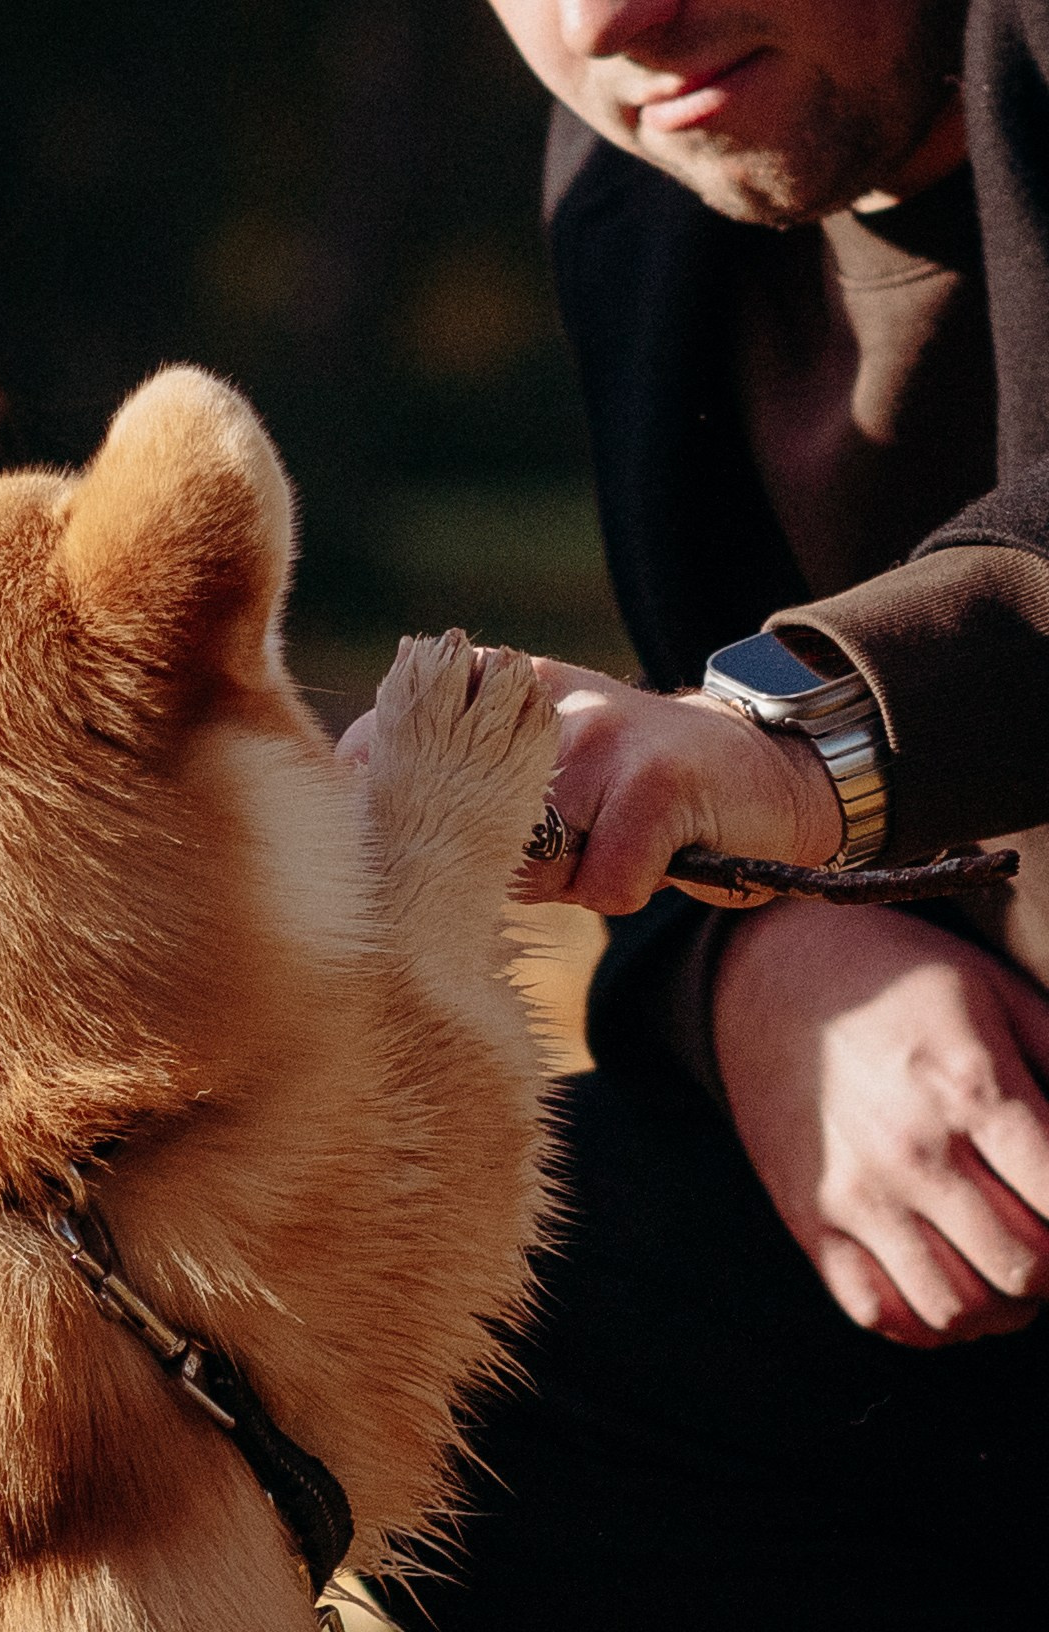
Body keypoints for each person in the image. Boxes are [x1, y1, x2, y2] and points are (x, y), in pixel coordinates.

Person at [343, 1, 1049, 1625]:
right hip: (977, 1272)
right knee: (487, 1324)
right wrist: (762, 963)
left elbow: (766, 730)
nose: (610, 19)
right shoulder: (639, 169)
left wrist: (796, 751)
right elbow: (704, 700)